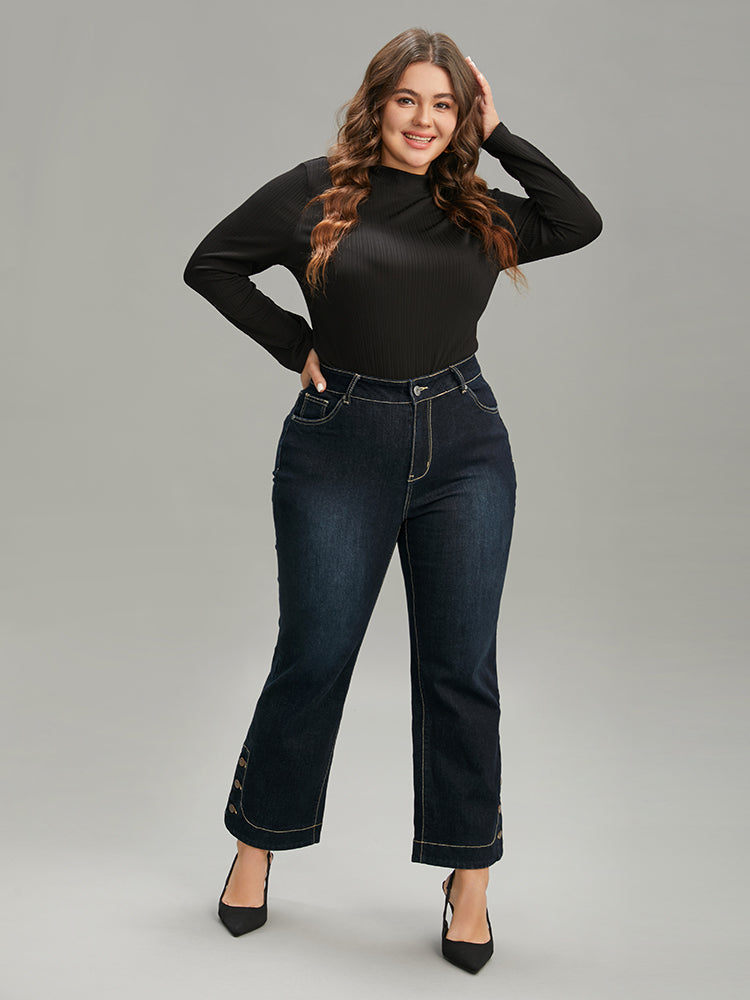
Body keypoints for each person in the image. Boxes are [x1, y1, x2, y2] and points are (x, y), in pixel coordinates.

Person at [183, 27, 602, 974]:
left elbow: (578, 220)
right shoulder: (313, 193)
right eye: (408, 99)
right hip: (340, 444)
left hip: (465, 446)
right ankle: (256, 844)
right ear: (376, 104)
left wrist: (500, 133)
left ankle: (470, 876)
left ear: (463, 118)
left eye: (444, 105)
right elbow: (210, 264)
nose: (423, 120)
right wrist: (293, 345)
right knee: (314, 654)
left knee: (462, 668)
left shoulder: (476, 209)